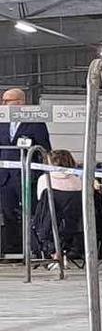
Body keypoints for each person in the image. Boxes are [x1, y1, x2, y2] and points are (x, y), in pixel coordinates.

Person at [2, 87, 52, 255]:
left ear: (19, 102)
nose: (3, 104)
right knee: (8, 213)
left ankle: (35, 249)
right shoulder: (2, 122)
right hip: (5, 178)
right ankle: (12, 250)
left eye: (7, 101)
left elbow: (45, 149)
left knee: (30, 213)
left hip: (27, 176)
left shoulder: (36, 122)